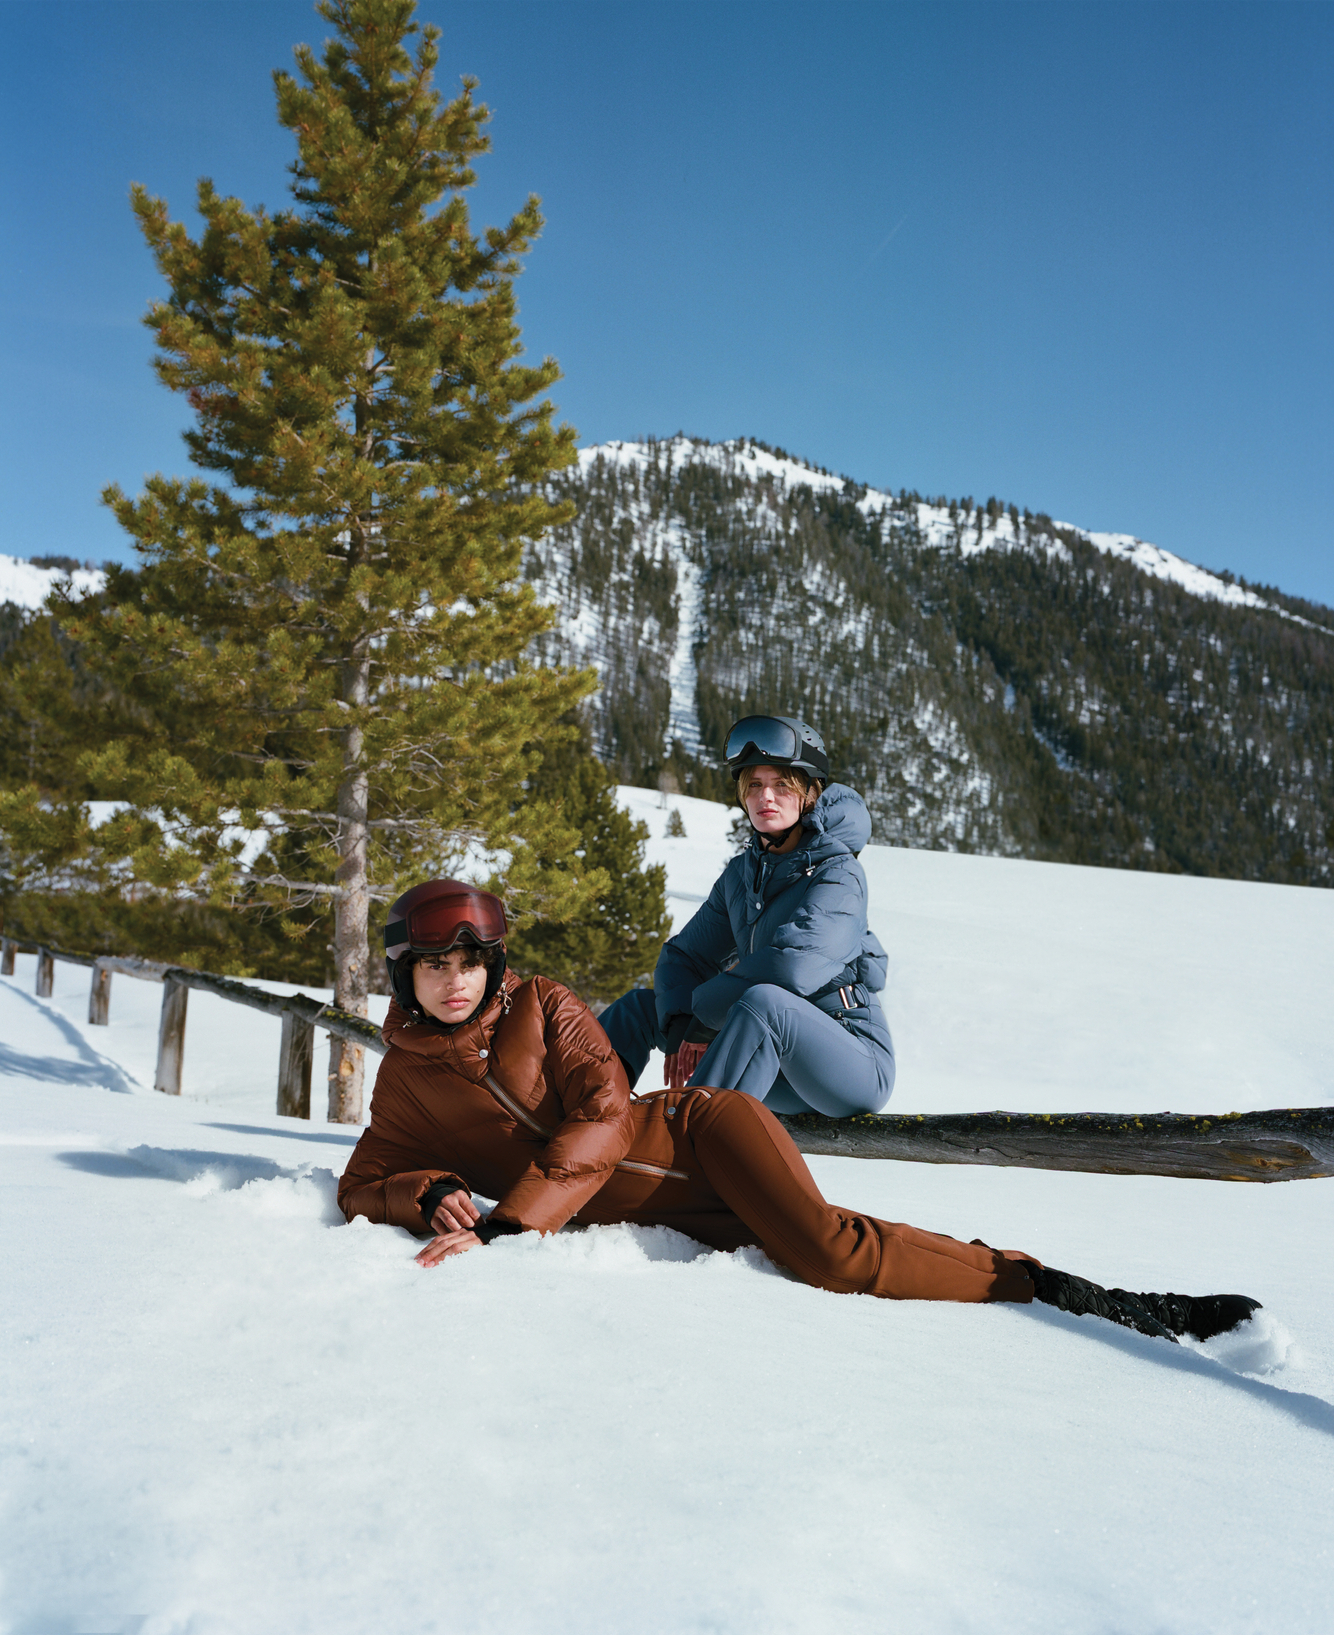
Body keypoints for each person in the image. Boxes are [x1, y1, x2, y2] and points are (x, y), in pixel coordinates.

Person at [337, 877, 1261, 1345]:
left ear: (495, 963)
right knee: (832, 1239)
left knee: (829, 1251)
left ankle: (1063, 1290)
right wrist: (429, 1192)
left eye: (470, 962)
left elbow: (607, 1117)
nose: (455, 982)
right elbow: (361, 1181)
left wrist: (508, 1223)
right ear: (406, 975)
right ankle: (1036, 1279)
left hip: (700, 1132)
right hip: (668, 1210)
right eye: (435, 965)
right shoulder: (408, 1079)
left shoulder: (546, 1007)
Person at [597, 714, 895, 1117]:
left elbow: (793, 967)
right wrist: (684, 1021)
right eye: (754, 785)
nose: (765, 798)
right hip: (766, 1060)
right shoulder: (743, 875)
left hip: (849, 1063)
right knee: (644, 1008)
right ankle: (581, 1114)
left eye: (781, 786)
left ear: (809, 793)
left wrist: (705, 1018)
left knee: (765, 1001)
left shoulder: (839, 873)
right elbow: (686, 957)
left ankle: (678, 1149)